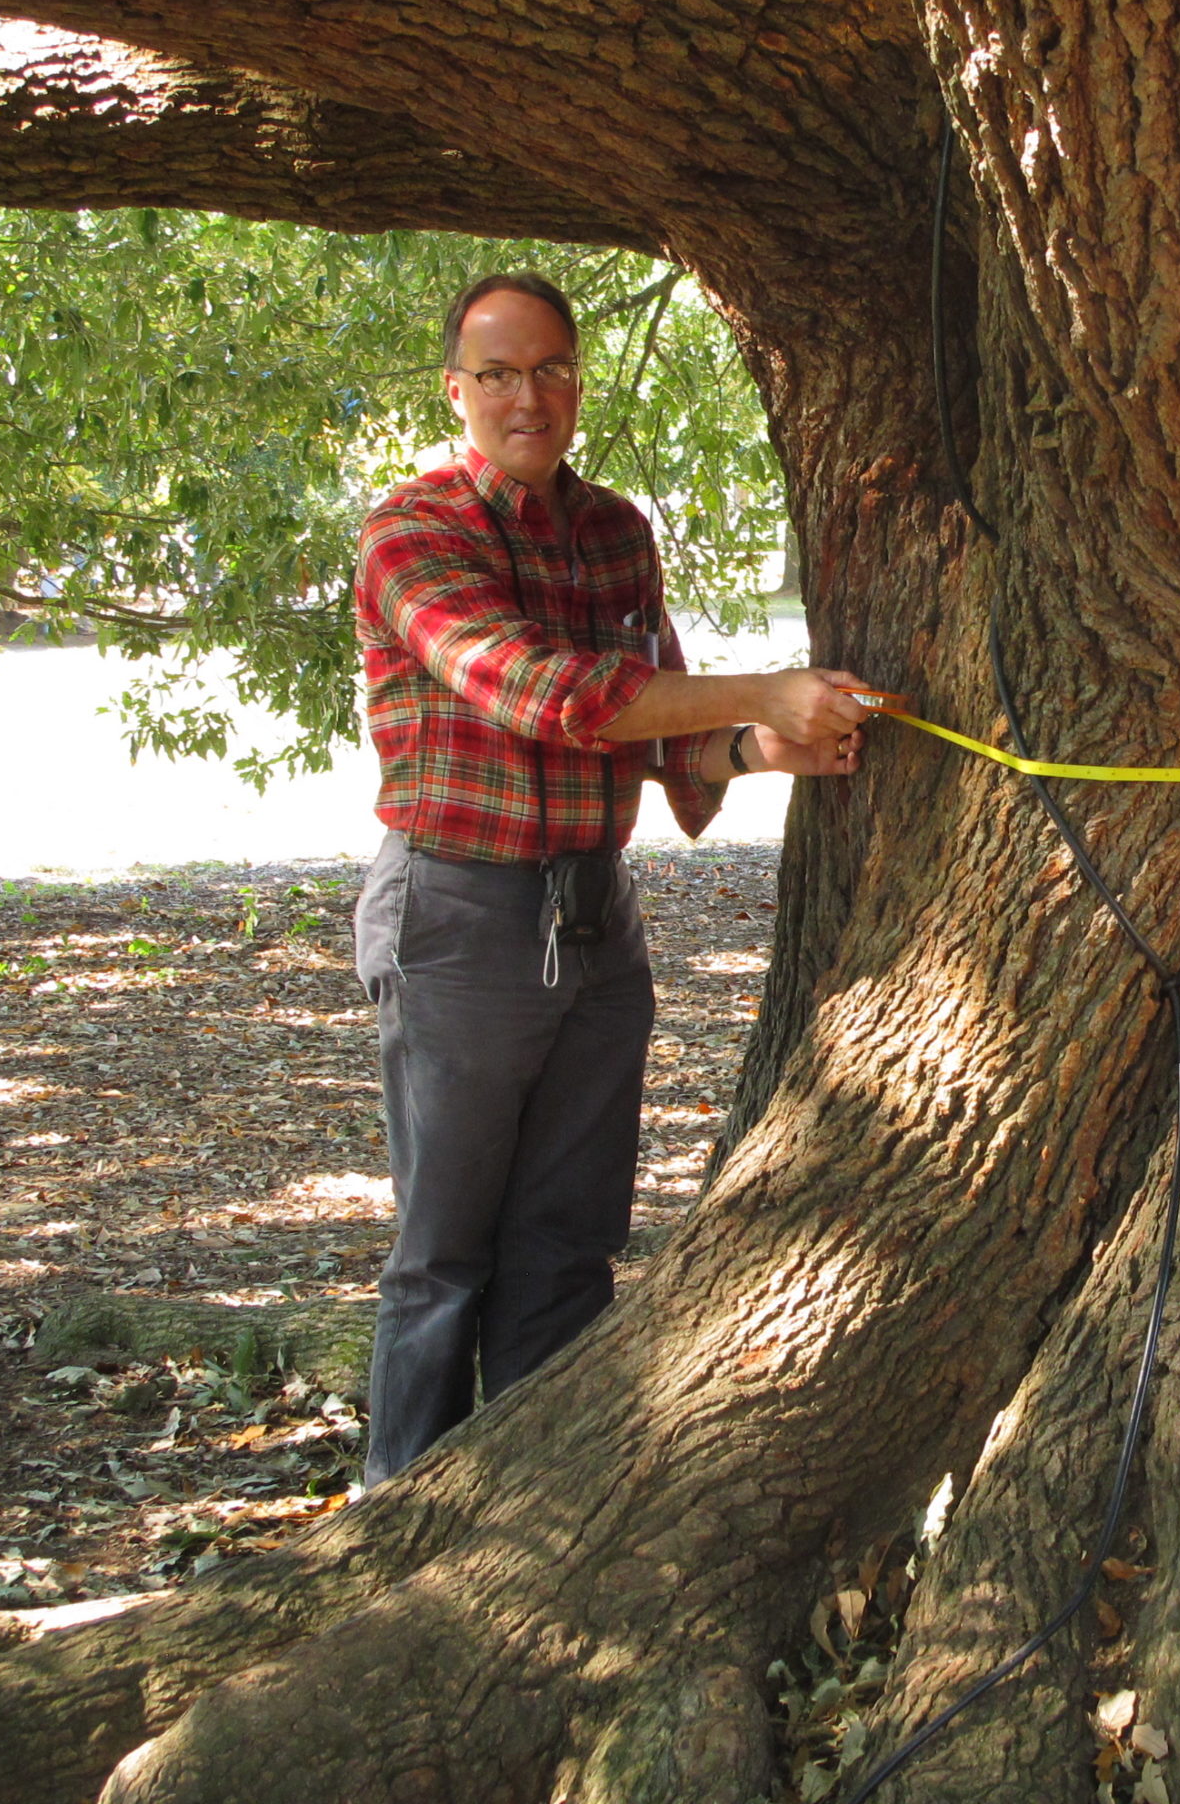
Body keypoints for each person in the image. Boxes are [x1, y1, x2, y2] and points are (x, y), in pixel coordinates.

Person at [350, 271, 878, 1485]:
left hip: (595, 918)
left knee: (569, 1241)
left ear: (576, 380)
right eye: (497, 375)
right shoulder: (413, 534)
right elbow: (546, 694)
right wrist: (762, 690)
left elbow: (650, 729)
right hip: (459, 916)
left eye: (548, 369)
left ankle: (528, 1509)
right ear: (456, 391)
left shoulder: (614, 534)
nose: (526, 398)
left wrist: (761, 747)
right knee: (445, 1255)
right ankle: (401, 1517)